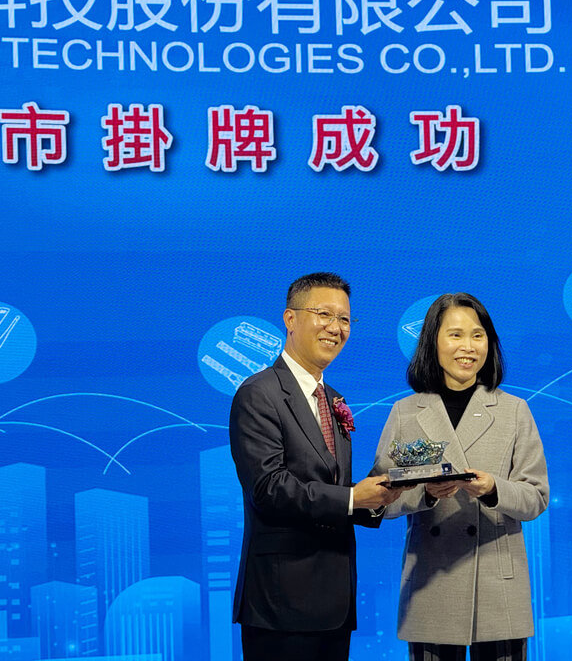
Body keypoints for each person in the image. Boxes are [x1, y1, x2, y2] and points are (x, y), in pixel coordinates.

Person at [230, 272, 401, 661]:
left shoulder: (334, 398)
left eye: (345, 319)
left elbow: (333, 488)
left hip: (334, 599)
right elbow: (268, 489)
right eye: (324, 314)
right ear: (290, 319)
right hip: (280, 602)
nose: (336, 328)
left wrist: (380, 496)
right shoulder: (259, 393)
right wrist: (353, 498)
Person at [373, 292, 549, 661]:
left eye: (477, 335)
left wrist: (493, 489)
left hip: (497, 582)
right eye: (455, 335)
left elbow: (536, 497)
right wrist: (427, 493)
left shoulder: (515, 410)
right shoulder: (406, 412)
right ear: (432, 342)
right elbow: (380, 500)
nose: (468, 346)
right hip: (431, 580)